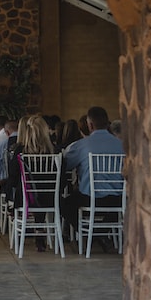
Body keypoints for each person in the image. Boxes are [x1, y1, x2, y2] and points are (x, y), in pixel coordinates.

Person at [60, 106, 126, 249]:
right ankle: (100, 233)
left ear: (89, 125)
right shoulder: (122, 145)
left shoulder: (82, 145)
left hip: (90, 198)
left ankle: (92, 234)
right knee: (121, 207)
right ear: (107, 123)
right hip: (118, 198)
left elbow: (66, 165)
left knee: (64, 204)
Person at [5, 114, 59, 252]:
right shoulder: (55, 152)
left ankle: (30, 233)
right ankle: (40, 233)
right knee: (41, 194)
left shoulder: (20, 151)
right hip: (51, 199)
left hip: (26, 199)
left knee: (29, 193)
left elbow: (12, 176)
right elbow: (63, 179)